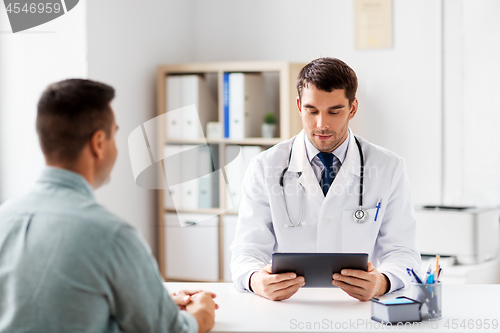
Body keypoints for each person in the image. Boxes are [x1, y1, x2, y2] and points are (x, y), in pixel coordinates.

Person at [0, 79, 217, 333]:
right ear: (99, 143)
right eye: (114, 135)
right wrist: (202, 311)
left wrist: (159, 304)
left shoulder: (5, 218)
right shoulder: (112, 236)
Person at [230, 57, 421, 302]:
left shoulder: (389, 167)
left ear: (352, 108)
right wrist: (255, 280)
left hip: (357, 309)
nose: (322, 124)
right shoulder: (265, 167)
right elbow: (247, 249)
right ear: (299, 106)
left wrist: (382, 282)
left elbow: (404, 252)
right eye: (312, 111)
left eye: (334, 111)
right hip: (289, 306)